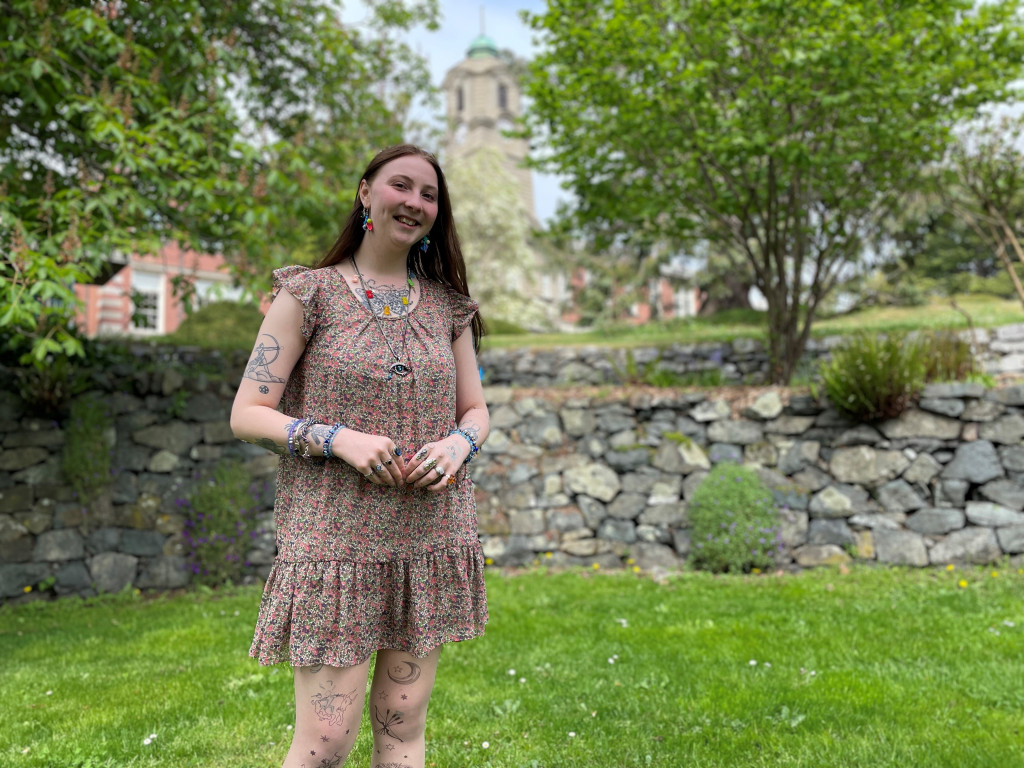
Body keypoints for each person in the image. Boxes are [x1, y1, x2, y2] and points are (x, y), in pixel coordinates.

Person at [230, 144, 489, 768]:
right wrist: (336, 438)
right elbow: (247, 414)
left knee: (402, 729)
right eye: (402, 186)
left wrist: (459, 444)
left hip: (425, 539)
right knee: (325, 742)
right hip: (335, 546)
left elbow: (476, 411)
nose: (416, 203)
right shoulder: (309, 294)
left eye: (429, 196)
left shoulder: (447, 308)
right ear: (364, 192)